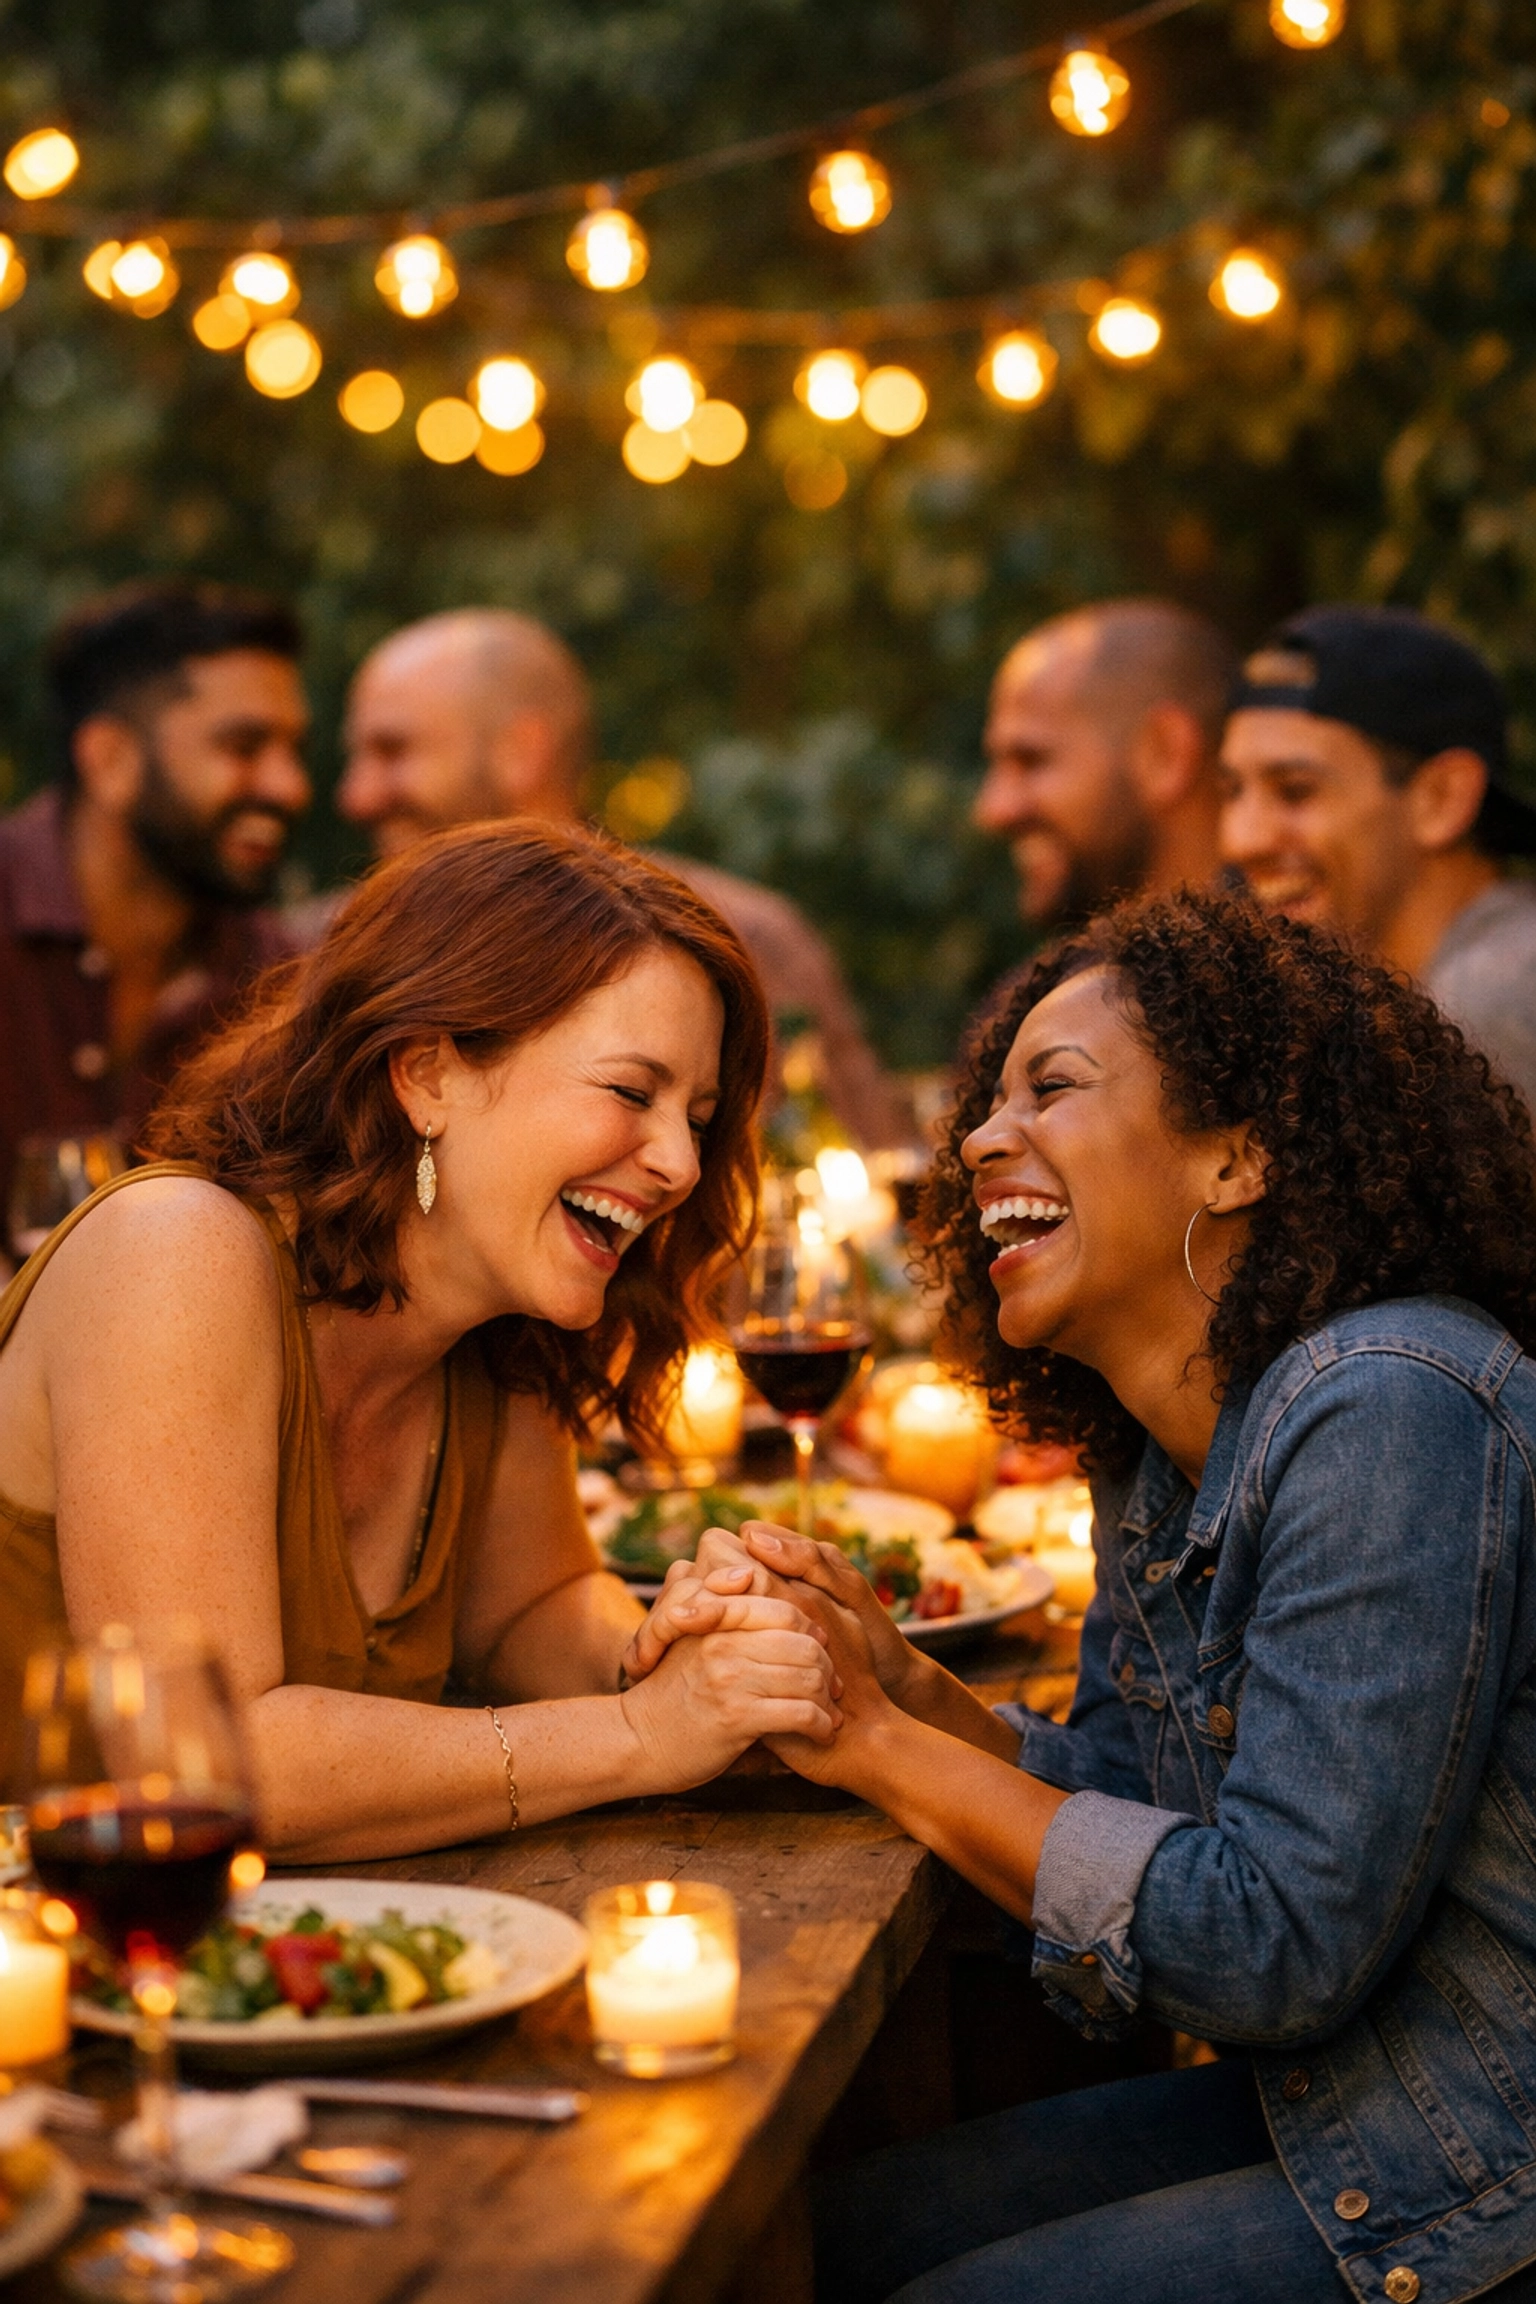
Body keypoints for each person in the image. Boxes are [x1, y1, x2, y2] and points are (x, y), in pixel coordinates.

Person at [642, 890, 1536, 2304]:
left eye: (1051, 1089)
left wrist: (871, 1742)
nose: (984, 1138)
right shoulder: (1159, 1440)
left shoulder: (1391, 1407)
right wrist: (908, 1687)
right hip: (1359, 2093)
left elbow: (1272, 1947)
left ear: (1238, 1157)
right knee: (824, 2241)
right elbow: (1134, 1792)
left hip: (1488, 2158)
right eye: (986, 1106)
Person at [0, 821, 837, 1857]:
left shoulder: (497, 1315)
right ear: (428, 1074)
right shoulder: (173, 1253)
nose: (676, 1163)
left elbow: (530, 1609)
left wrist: (678, 1653)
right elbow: (205, 1767)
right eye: (632, 1092)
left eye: (700, 1117)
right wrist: (636, 1734)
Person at [329, 607, 910, 1149]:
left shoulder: (740, 938)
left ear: (521, 751)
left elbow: (862, 1193)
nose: (355, 797)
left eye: (392, 750)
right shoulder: (330, 948)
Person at [0, 581, 312, 1213]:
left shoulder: (278, 981)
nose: (291, 786)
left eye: (293, 750)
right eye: (243, 747)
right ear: (110, 759)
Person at [1220, 603, 1536, 1114]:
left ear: (1442, 799)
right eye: (1231, 790)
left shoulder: (1497, 994)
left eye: (1296, 791)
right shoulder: (1403, 1008)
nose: (1241, 840)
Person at [974, 598, 1237, 928]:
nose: (994, 810)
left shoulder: (1299, 970)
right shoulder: (1056, 976)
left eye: (1032, 760)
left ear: (1166, 754)